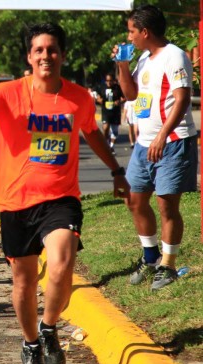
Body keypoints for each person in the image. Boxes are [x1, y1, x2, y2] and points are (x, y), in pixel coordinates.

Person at [0, 24, 129, 364]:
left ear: (62, 55)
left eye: (52, 49)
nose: (46, 56)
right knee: (24, 282)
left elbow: (92, 132)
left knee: (62, 264)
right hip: (15, 202)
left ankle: (49, 327)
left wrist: (116, 171)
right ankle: (32, 343)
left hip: (60, 198)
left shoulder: (79, 97)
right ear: (29, 57)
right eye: (39, 50)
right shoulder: (8, 94)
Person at [114, 5, 198, 290]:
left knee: (166, 206)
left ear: (145, 32)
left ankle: (168, 265)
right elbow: (129, 94)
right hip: (143, 145)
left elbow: (183, 98)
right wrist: (122, 65)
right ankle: (150, 257)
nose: (129, 37)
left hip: (172, 142)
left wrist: (163, 135)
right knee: (134, 200)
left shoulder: (174, 55)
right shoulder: (145, 59)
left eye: (131, 31)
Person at [96, 73, 124, 154]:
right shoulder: (102, 87)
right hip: (106, 111)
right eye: (107, 81)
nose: (109, 82)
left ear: (113, 81)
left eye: (110, 81)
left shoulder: (117, 87)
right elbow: (97, 96)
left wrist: (119, 101)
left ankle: (111, 146)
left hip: (115, 112)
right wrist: (99, 99)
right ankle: (106, 145)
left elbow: (124, 97)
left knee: (115, 132)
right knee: (105, 128)